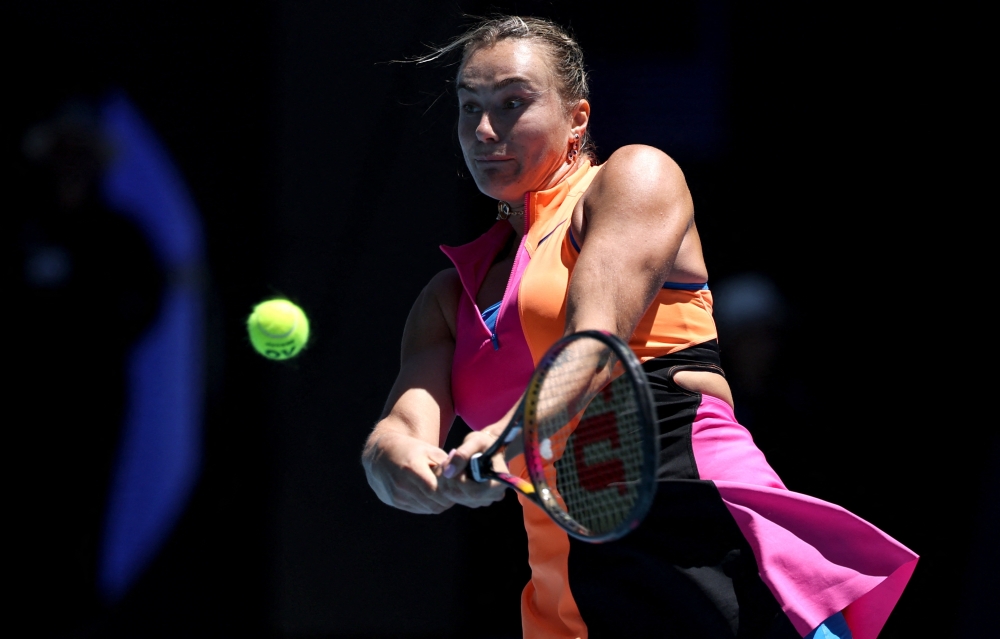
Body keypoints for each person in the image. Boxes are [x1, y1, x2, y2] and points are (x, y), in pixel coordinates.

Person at [362, 16, 916, 639]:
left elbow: (592, 347)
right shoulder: (445, 299)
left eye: (513, 103)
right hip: (571, 588)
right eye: (469, 107)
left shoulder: (635, 177)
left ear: (577, 118)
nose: (485, 130)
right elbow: (397, 430)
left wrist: (509, 437)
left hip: (702, 528)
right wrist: (407, 468)